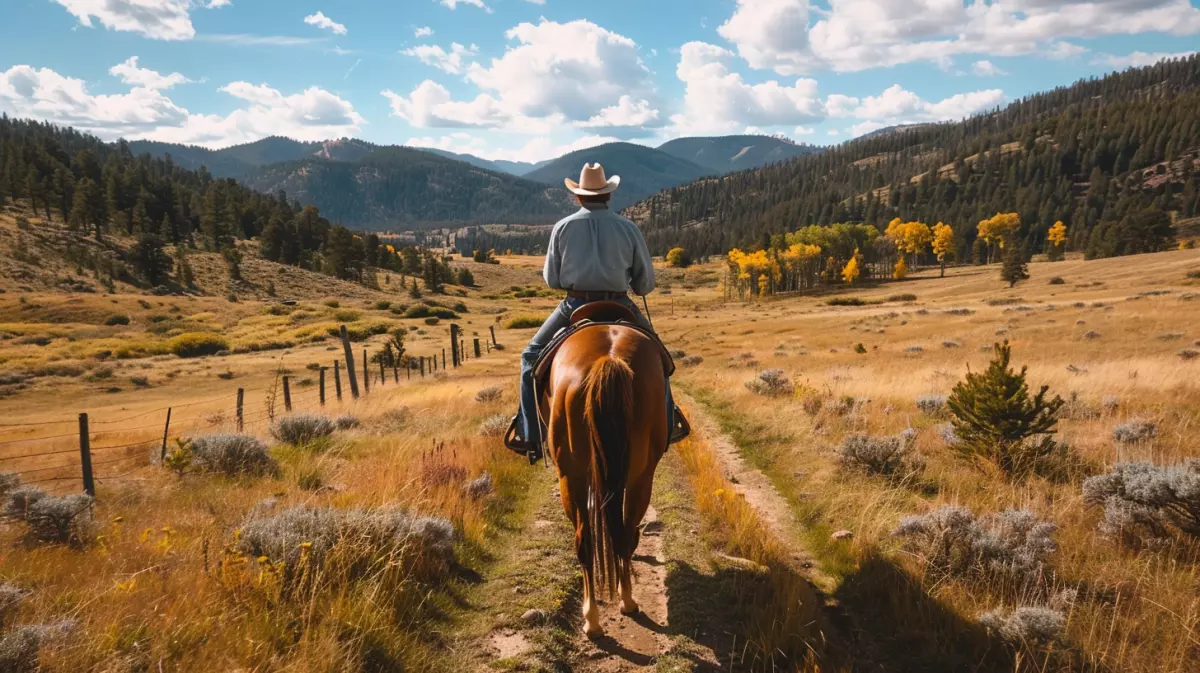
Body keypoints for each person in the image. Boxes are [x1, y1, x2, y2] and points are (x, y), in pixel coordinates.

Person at [506, 162, 687, 461]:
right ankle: (669, 426)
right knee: (659, 358)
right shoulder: (628, 228)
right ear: (608, 196)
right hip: (620, 303)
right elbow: (644, 284)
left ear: (578, 196)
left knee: (530, 357)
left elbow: (552, 279)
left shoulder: (562, 227)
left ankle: (531, 435)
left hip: (575, 305)